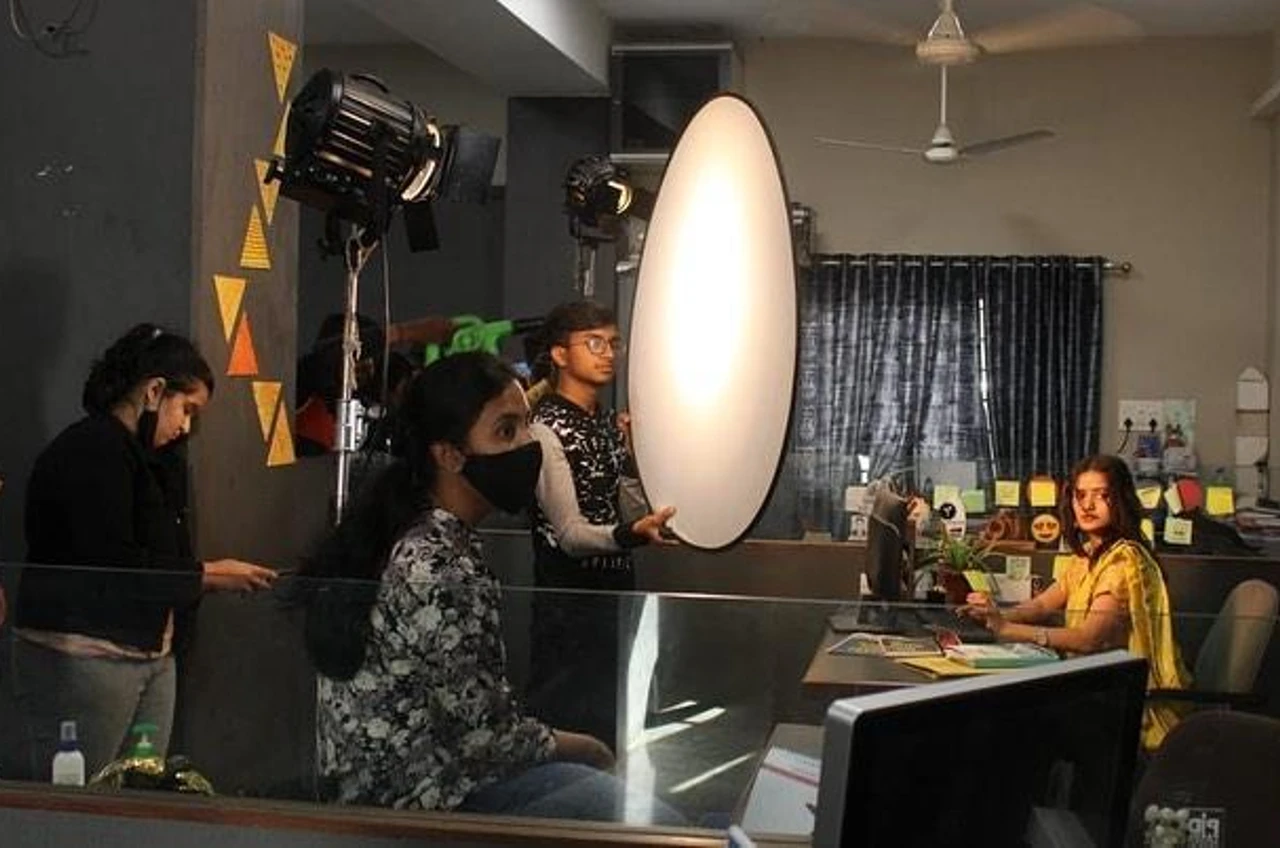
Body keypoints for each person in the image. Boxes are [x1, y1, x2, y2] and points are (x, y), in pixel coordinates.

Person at [298, 352, 682, 822]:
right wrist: (587, 748)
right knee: (657, 824)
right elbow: (484, 737)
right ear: (449, 454)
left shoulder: (419, 536)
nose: (528, 444)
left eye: (526, 425)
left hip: (422, 784)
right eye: (506, 431)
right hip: (430, 801)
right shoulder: (438, 564)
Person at [13, 324, 277, 778]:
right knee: (82, 791)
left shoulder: (153, 461)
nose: (186, 427)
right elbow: (110, 562)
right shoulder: (90, 450)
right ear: (154, 391)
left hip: (150, 655)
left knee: (140, 790)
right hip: (86, 657)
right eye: (186, 409)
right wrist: (208, 575)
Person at [959, 454, 1190, 749]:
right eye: (1080, 495)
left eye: (1101, 495)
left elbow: (1088, 639)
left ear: (1120, 501)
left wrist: (1007, 629)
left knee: (1001, 721)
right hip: (1089, 689)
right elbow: (1042, 605)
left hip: (1116, 704)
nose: (1087, 505)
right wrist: (995, 613)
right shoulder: (1087, 556)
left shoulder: (1124, 561)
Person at [526, 300, 674, 748]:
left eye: (613, 343)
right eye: (594, 343)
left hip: (617, 597)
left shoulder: (608, 423)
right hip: (568, 604)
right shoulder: (545, 426)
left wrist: (632, 456)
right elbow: (570, 535)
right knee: (573, 730)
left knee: (620, 727)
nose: (608, 353)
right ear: (560, 354)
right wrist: (632, 534)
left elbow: (628, 509)